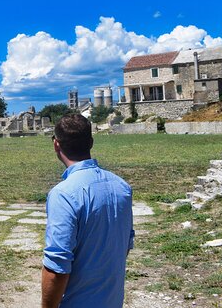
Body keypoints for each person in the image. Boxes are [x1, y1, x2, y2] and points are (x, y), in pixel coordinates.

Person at [41, 114, 134, 308]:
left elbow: (57, 268)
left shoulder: (63, 194)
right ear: (91, 142)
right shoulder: (122, 186)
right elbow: (124, 245)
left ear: (56, 145)